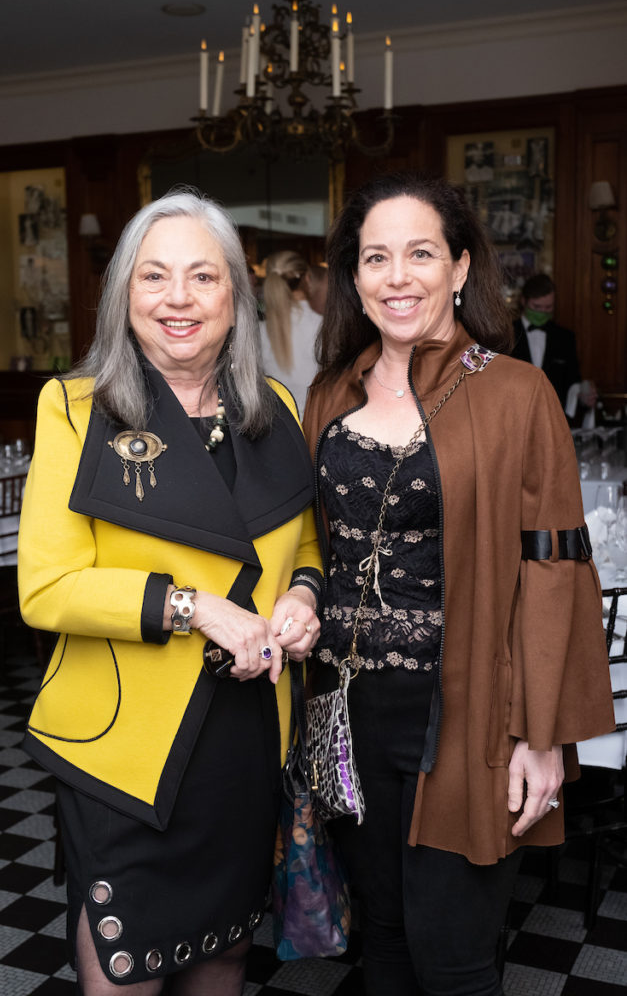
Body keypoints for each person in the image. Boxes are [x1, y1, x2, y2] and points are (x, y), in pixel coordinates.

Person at [301, 172, 615, 996]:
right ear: (354, 277)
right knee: (386, 946)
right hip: (344, 721)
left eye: (419, 253)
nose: (396, 276)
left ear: (460, 267)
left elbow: (555, 573)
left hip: (468, 718)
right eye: (375, 257)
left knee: (456, 960)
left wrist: (542, 736)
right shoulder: (329, 393)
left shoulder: (516, 393)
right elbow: (304, 543)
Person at [18, 188, 322, 996]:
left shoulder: (276, 408)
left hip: (247, 741)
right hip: (127, 752)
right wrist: (197, 609)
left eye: (202, 277)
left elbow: (309, 544)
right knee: (124, 976)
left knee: (222, 958)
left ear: (235, 297)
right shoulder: (75, 410)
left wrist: (301, 598)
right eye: (153, 277)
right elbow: (46, 589)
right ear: (124, 294)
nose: (178, 299)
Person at [511, 273, 597, 418]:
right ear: (523, 301)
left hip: (554, 419)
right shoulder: (505, 335)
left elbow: (572, 382)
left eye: (548, 307)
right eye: (536, 307)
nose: (542, 312)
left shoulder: (565, 338)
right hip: (514, 417)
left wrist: (584, 396)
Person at [259, 250, 321, 414]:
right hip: (315, 426)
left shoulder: (258, 332)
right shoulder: (324, 327)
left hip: (275, 428)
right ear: (307, 278)